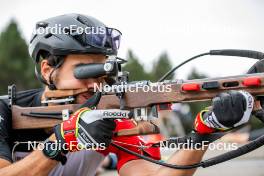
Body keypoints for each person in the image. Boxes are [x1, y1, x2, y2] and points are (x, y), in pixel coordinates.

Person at [0, 13, 260, 176]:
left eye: (103, 70)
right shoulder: (6, 111)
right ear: (48, 69)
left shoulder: (108, 114)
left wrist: (204, 134)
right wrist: (62, 140)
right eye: (85, 70)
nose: (96, 83)